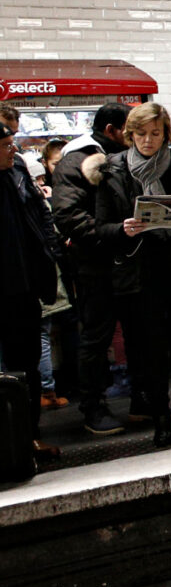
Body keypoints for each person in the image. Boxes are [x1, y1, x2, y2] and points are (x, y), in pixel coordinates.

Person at [88, 103, 171, 447]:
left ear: (166, 134)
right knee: (150, 352)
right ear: (130, 134)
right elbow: (102, 227)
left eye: (155, 134)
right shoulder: (112, 170)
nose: (148, 140)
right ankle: (161, 420)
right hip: (137, 273)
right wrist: (123, 228)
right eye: (141, 134)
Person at [47, 103, 131, 434]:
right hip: (97, 264)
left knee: (138, 332)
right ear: (112, 129)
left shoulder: (130, 157)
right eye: (131, 129)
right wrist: (114, 232)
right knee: (96, 336)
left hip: (132, 260)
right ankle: (93, 406)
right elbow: (67, 215)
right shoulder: (77, 160)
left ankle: (142, 398)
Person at [1, 121, 63, 463]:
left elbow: (40, 215)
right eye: (6, 145)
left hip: (22, 283)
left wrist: (51, 253)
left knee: (26, 366)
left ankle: (28, 437)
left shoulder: (19, 172)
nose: (14, 149)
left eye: (13, 143)